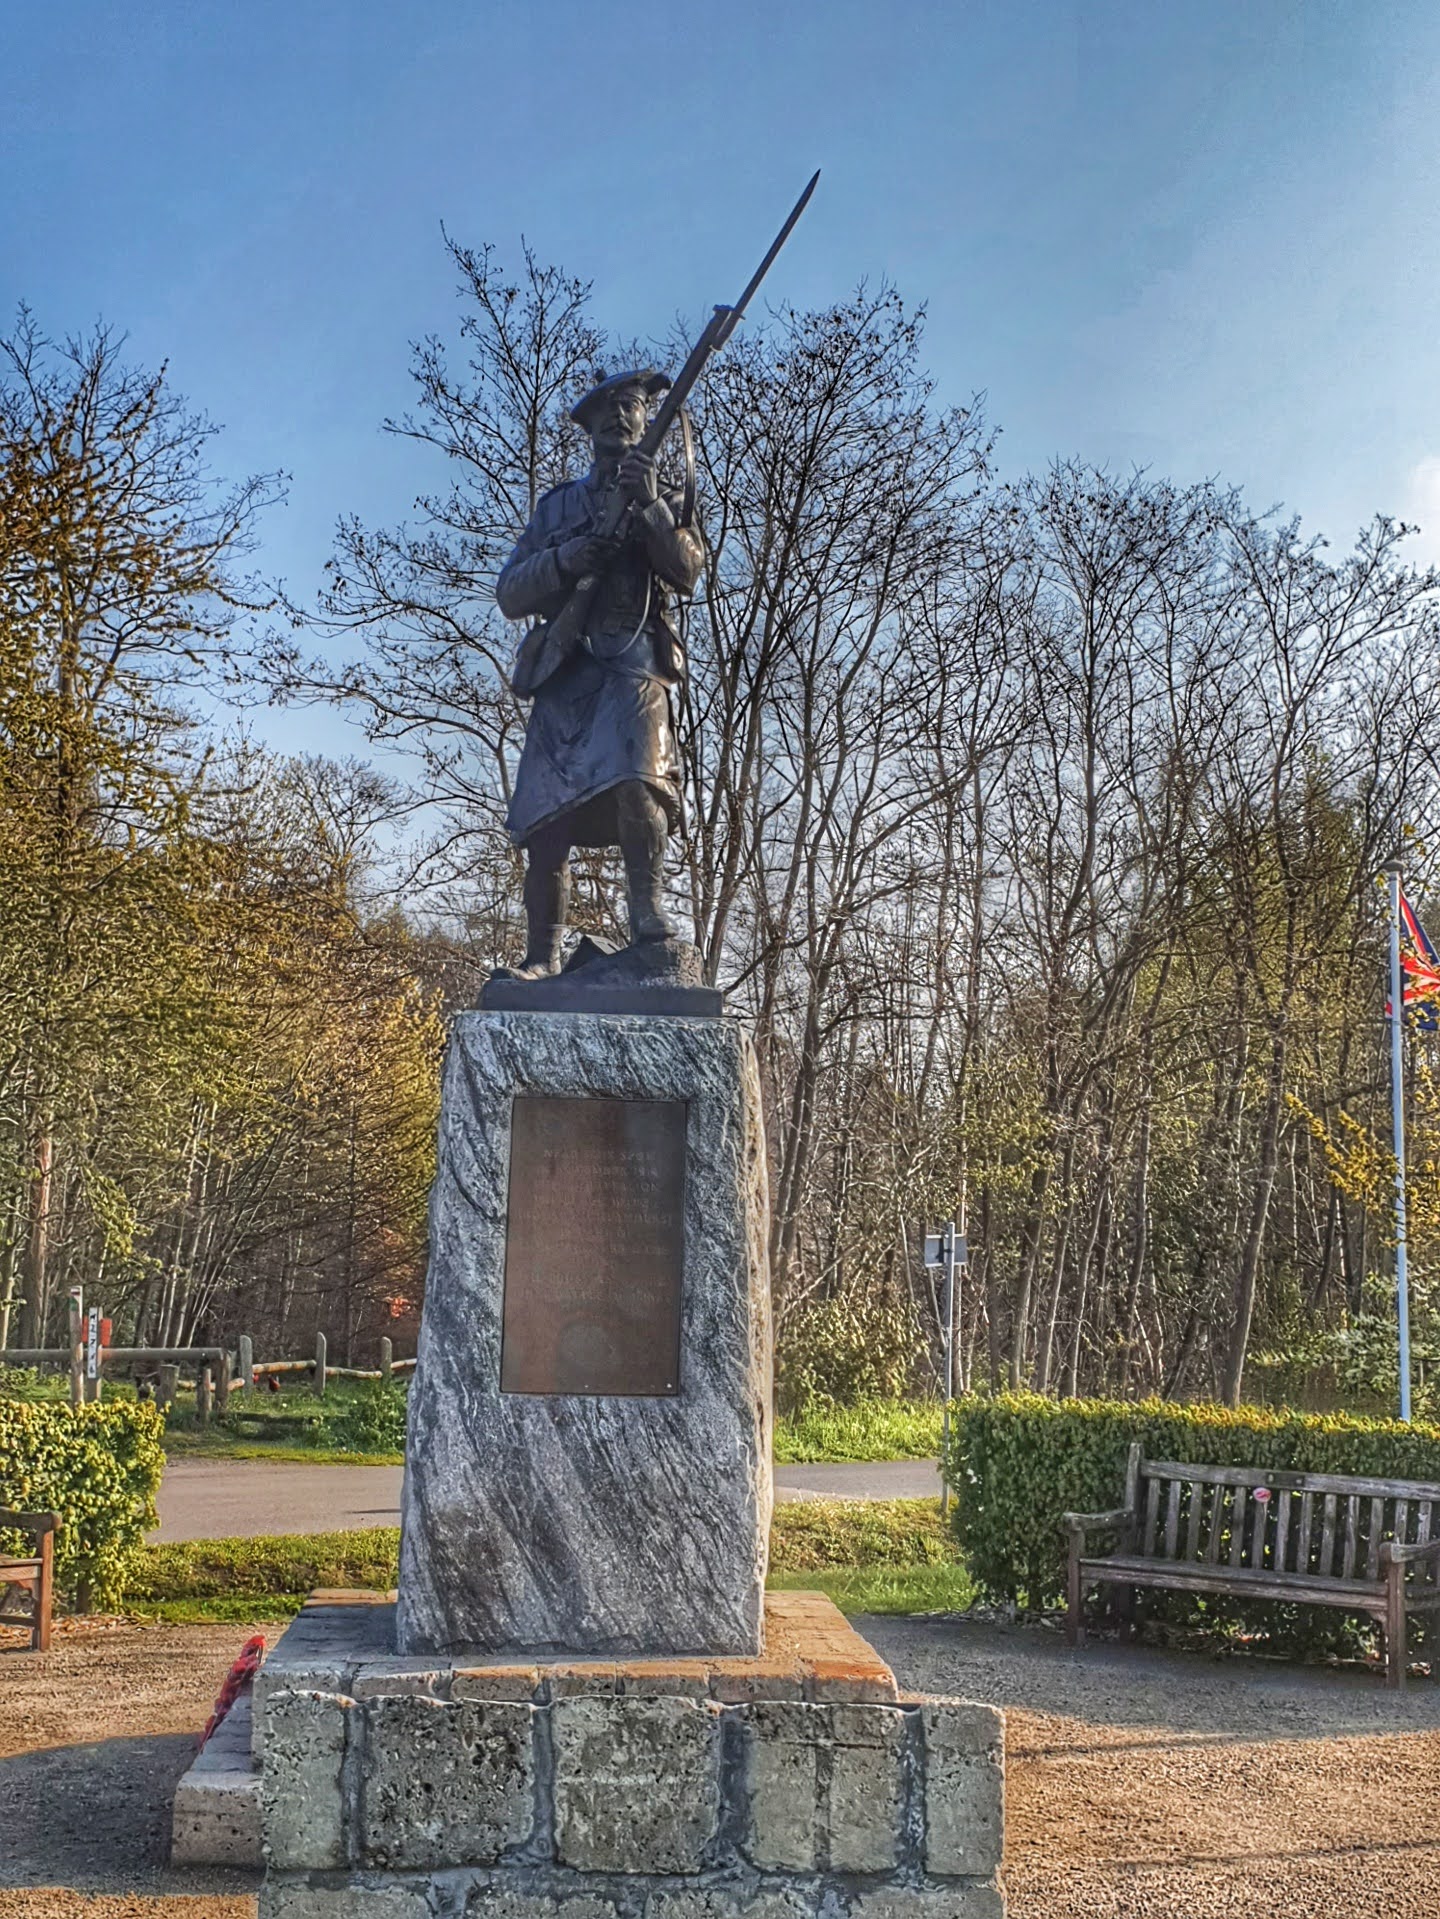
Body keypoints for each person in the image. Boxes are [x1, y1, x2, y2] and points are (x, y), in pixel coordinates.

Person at [494, 368, 705, 978]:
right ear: (589, 428)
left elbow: (688, 571)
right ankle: (542, 957)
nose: (619, 415)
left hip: (635, 660)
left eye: (631, 406)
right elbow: (511, 592)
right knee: (546, 822)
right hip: (568, 670)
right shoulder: (557, 507)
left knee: (641, 782)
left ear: (645, 419)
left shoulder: (666, 497)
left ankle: (648, 917)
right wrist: (567, 558)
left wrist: (652, 509)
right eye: (606, 409)